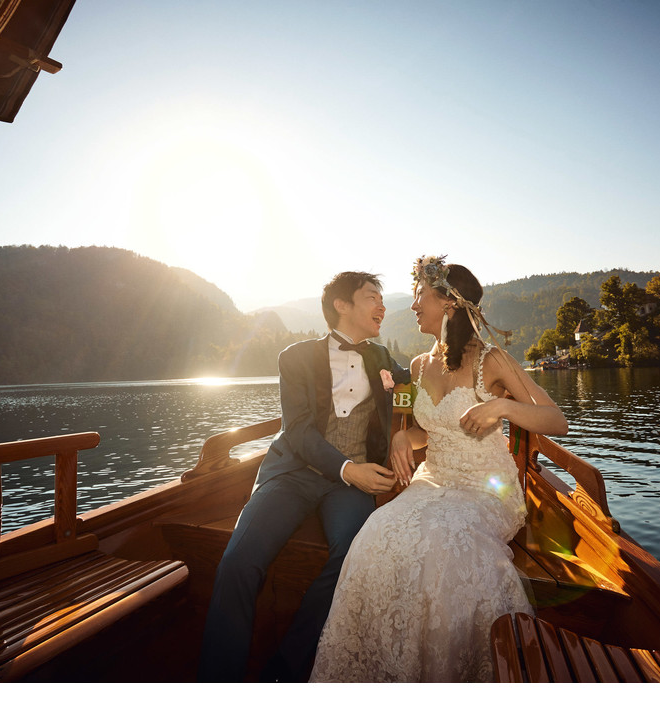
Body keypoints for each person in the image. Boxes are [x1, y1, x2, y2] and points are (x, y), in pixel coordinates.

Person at [310, 256, 569, 682]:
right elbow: (419, 431)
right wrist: (399, 436)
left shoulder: (493, 361)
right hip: (433, 482)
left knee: (442, 545)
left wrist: (502, 405)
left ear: (448, 303)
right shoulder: (416, 366)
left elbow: (556, 420)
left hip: (486, 489)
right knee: (374, 534)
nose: (412, 305)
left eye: (419, 296)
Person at [197, 271, 411, 683]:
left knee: (353, 556)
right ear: (341, 305)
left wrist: (401, 429)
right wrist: (350, 469)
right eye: (372, 297)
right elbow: (297, 431)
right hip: (293, 473)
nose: (381, 305)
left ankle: (286, 671)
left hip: (349, 485)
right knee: (239, 560)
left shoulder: (382, 358)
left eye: (382, 298)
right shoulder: (294, 357)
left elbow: (415, 389)